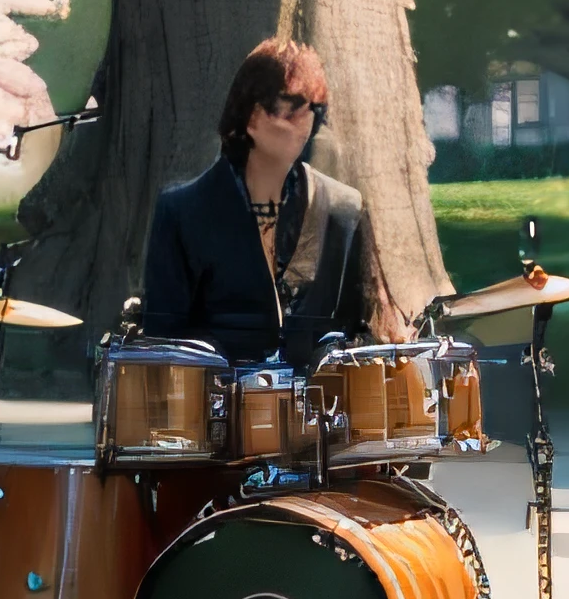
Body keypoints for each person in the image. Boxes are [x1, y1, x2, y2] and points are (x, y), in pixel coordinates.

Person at [139, 37, 408, 365]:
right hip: (214, 407)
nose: (305, 120)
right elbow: (162, 346)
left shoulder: (343, 210)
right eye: (290, 105)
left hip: (319, 409)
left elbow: (364, 330)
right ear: (250, 117)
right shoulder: (181, 212)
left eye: (313, 107)